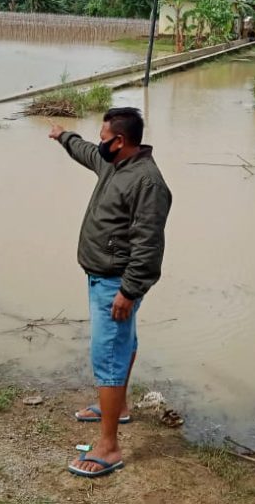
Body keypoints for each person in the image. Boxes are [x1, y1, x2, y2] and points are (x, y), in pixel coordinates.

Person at [48, 108, 172, 478]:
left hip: (117, 284)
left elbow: (149, 245)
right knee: (122, 344)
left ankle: (109, 447)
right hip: (103, 278)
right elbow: (86, 151)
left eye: (103, 137)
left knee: (108, 356)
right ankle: (116, 407)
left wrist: (128, 292)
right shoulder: (112, 163)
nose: (98, 143)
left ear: (119, 141)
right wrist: (63, 136)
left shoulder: (147, 183)